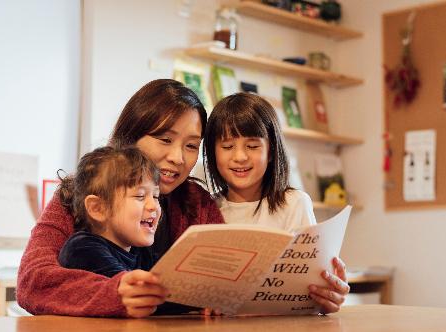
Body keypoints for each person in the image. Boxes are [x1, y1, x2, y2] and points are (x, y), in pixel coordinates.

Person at [17, 79, 224, 318]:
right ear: (131, 138)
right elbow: (32, 280)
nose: (178, 157)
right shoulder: (79, 192)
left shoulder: (197, 202)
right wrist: (113, 294)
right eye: (165, 140)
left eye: (191, 146)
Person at [203, 92, 350, 313]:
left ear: (271, 151)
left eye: (252, 146)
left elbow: (315, 286)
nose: (240, 156)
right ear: (213, 153)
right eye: (227, 146)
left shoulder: (294, 203)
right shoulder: (207, 208)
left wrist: (326, 296)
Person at [57, 146, 161, 279]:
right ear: (98, 208)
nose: (153, 206)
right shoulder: (82, 249)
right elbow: (127, 289)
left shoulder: (142, 252)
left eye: (156, 196)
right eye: (140, 196)